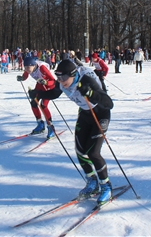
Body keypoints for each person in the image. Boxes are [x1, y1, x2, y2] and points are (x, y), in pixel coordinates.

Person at [34, 59, 114, 205]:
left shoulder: (87, 79)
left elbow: (109, 103)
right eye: (58, 77)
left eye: (63, 77)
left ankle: (106, 186)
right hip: (85, 114)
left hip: (100, 114)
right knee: (80, 150)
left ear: (73, 74)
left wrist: (90, 93)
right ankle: (92, 182)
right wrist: (39, 94)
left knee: (93, 152)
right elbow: (54, 93)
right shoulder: (62, 82)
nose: (60, 81)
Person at [16, 56, 57, 138]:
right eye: (25, 67)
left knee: (43, 106)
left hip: (48, 88)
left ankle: (51, 127)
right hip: (40, 86)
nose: (27, 69)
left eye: (28, 67)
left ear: (33, 65)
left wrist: (46, 82)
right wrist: (22, 78)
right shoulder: (29, 67)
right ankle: (40, 124)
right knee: (33, 103)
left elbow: (53, 81)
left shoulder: (42, 68)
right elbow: (25, 75)